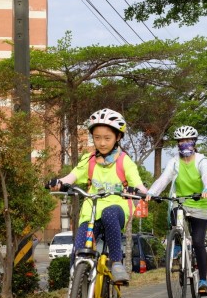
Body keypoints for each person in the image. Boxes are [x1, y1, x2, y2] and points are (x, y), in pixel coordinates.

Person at [48, 108, 148, 284]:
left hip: (117, 208)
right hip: (91, 212)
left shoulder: (124, 161)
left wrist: (142, 192)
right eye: (97, 137)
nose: (102, 143)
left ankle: (116, 263)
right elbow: (71, 177)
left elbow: (138, 185)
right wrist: (59, 183)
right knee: (78, 252)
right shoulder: (89, 160)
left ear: (118, 138)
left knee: (109, 213)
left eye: (107, 138)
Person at [146, 125, 207, 296]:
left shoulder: (201, 160)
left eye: (187, 140)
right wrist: (152, 192)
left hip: (200, 203)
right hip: (181, 202)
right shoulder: (174, 162)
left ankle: (203, 281)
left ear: (194, 142)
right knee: (173, 211)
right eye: (180, 141)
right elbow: (164, 178)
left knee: (199, 242)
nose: (184, 144)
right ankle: (177, 243)